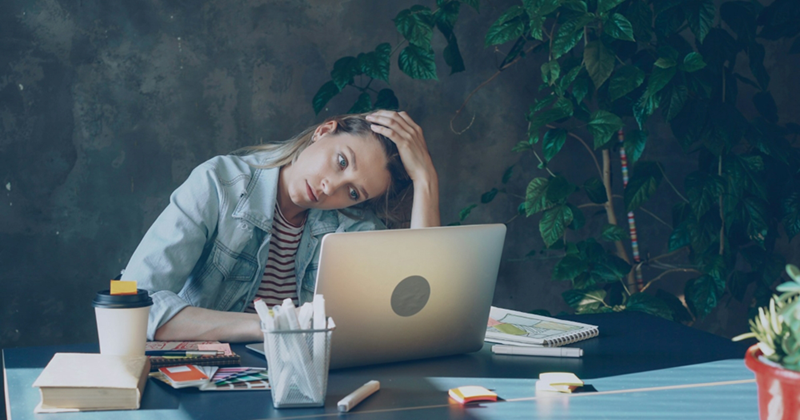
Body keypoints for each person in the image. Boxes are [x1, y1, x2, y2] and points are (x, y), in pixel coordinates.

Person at [121, 110, 440, 343]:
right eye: (342, 162)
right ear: (324, 131)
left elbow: (417, 315)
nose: (331, 187)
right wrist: (270, 325)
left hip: (303, 388)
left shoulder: (350, 228)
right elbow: (129, 301)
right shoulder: (218, 183)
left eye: (353, 192)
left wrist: (425, 180)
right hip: (205, 384)